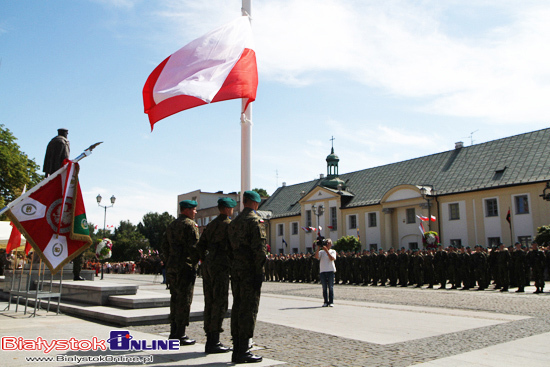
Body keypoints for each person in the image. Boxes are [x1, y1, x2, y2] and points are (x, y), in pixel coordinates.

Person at [228, 190, 267, 364]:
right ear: (256, 203)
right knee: (248, 309)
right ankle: (243, 351)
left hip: (236, 271)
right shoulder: (255, 221)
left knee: (237, 308)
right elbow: (259, 251)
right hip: (250, 272)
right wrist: (260, 271)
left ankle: (237, 348)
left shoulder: (234, 222)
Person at [197, 197, 236, 354]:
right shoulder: (228, 224)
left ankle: (210, 338)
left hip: (208, 265)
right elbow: (233, 246)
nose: (232, 211)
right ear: (227, 209)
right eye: (232, 208)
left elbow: (200, 246)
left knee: (210, 300)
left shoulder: (211, 224)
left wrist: (205, 259)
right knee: (220, 302)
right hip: (221, 265)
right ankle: (214, 341)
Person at [161, 199, 200, 346]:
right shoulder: (190, 225)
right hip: (185, 267)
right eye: (194, 209)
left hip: (172, 267)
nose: (195, 212)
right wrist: (194, 262)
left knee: (175, 299)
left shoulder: (172, 225)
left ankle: (173, 331)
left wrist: (169, 260)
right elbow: (194, 248)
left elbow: (164, 246)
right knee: (184, 300)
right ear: (187, 210)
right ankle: (181, 334)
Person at [314, 237, 337, 307]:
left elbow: (332, 258)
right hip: (323, 271)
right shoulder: (321, 252)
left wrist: (327, 251)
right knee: (324, 287)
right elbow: (316, 257)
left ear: (331, 244)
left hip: (330, 271)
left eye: (329, 243)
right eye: (326, 243)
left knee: (330, 287)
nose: (327, 244)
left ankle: (331, 302)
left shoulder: (333, 251)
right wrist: (318, 248)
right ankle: (325, 302)